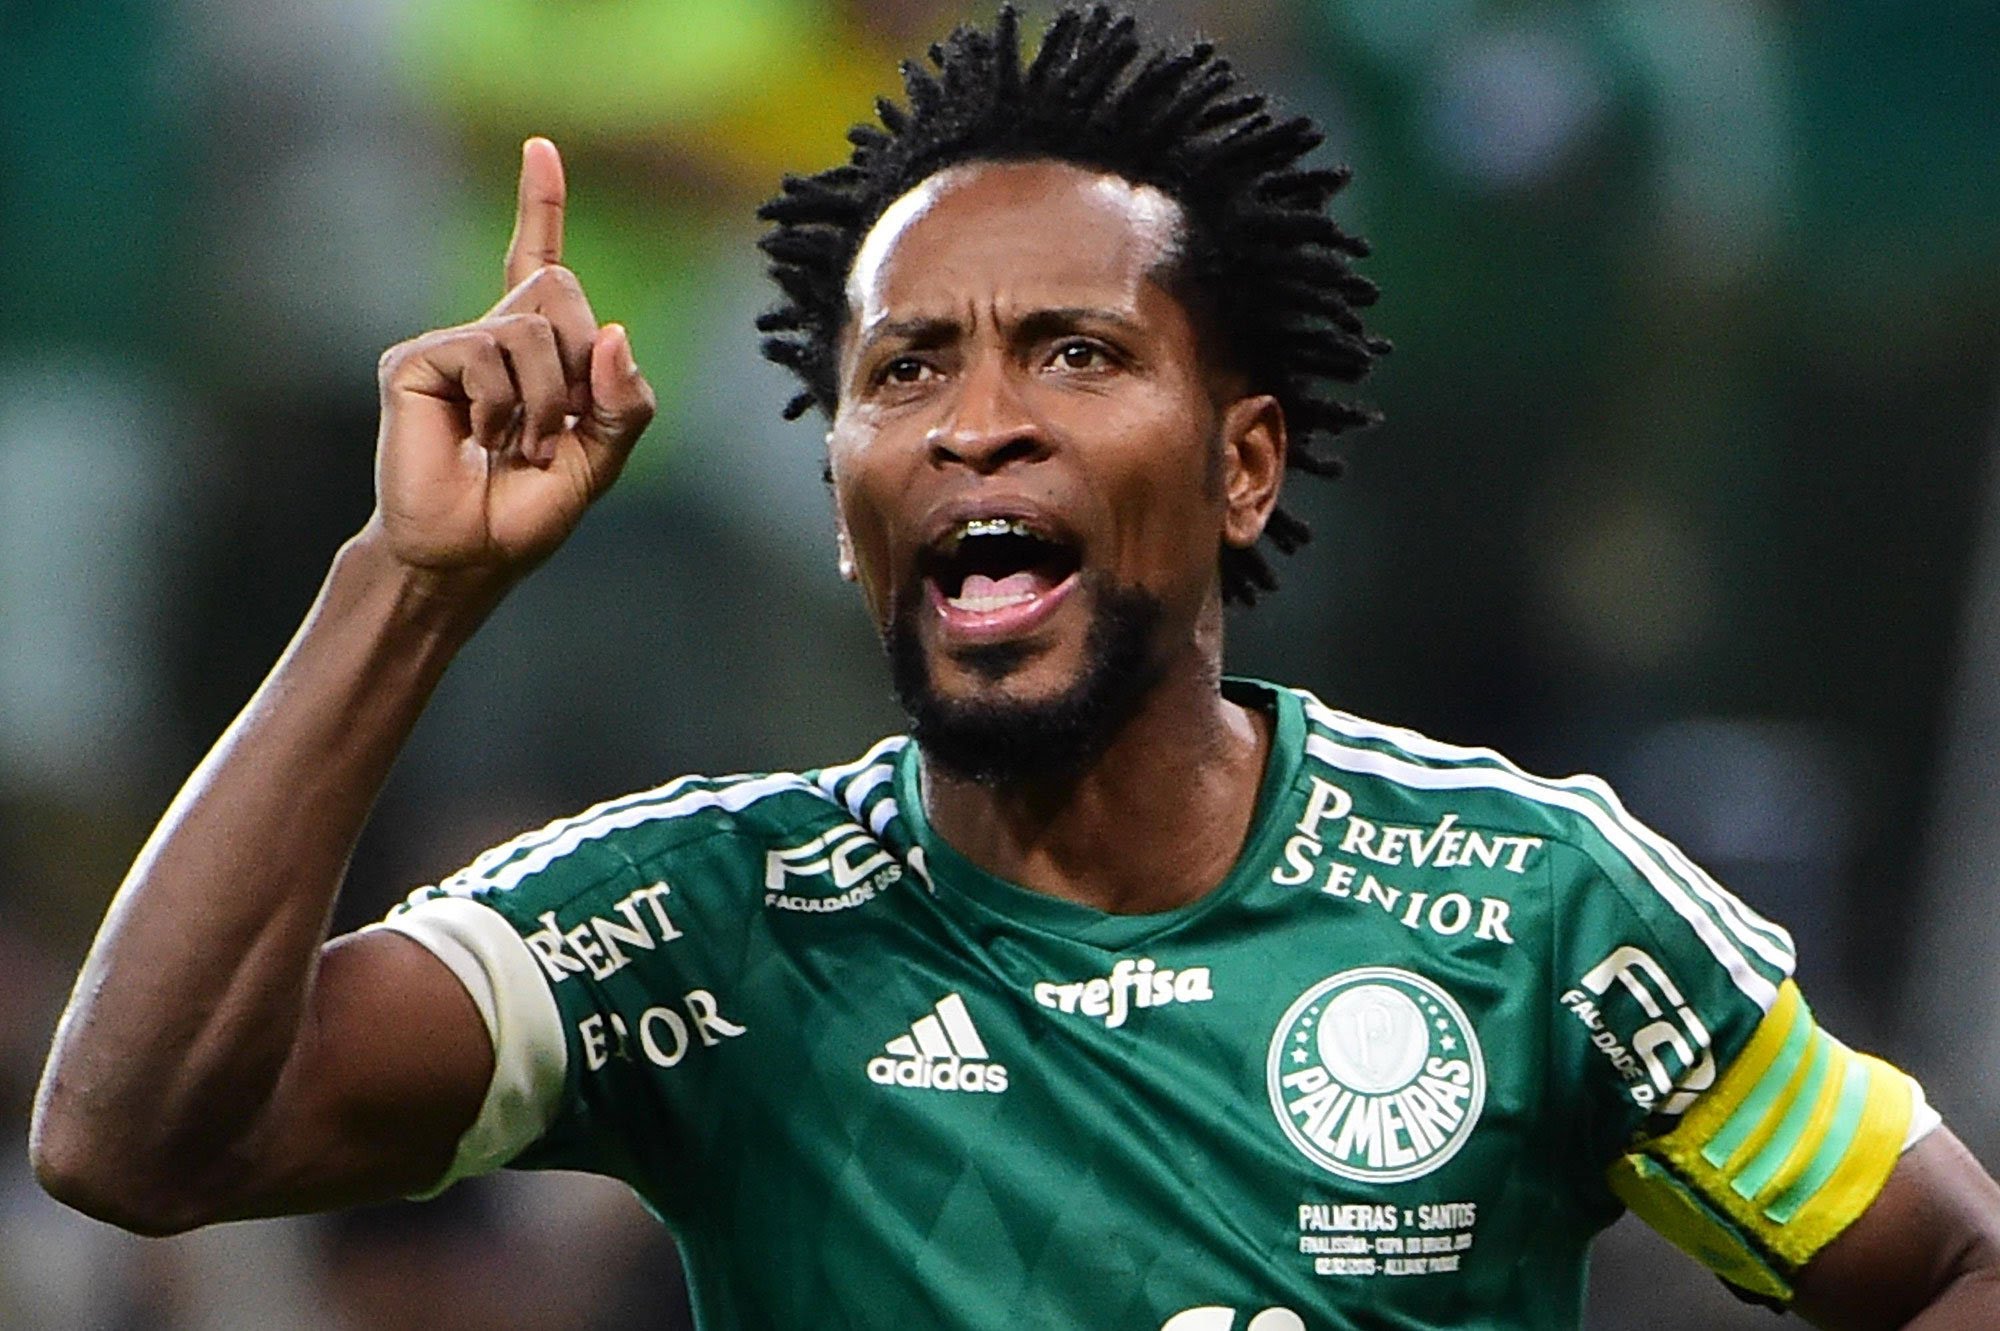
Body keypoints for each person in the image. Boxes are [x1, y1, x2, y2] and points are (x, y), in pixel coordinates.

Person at [30, 7, 2000, 1328]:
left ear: (1242, 466)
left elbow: (1937, 1265)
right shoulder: (705, 925)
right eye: (905, 370)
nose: (977, 423)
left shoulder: (1531, 909)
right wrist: (409, 584)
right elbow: (135, 1141)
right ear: (844, 499)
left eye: (1076, 352)